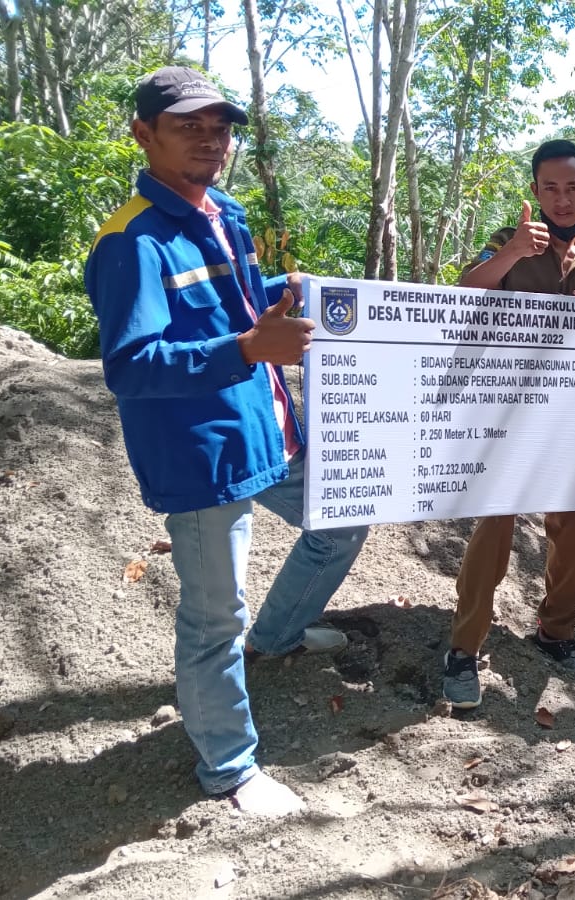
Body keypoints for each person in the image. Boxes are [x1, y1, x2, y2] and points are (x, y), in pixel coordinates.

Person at [85, 67, 369, 815]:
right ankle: (230, 768)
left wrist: (285, 283)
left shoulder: (226, 213)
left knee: (342, 517)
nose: (211, 139)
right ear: (144, 134)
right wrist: (246, 349)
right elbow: (130, 366)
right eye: (189, 126)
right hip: (202, 451)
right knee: (215, 620)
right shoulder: (131, 244)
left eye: (220, 126)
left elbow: (237, 302)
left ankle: (277, 638)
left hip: (264, 426)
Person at [446, 140, 575, 709]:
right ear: (535, 190)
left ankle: (556, 627)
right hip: (508, 413)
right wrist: (512, 253)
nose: (562, 198)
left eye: (573, 187)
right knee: (495, 525)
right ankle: (464, 645)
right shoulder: (508, 243)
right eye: (550, 187)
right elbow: (460, 295)